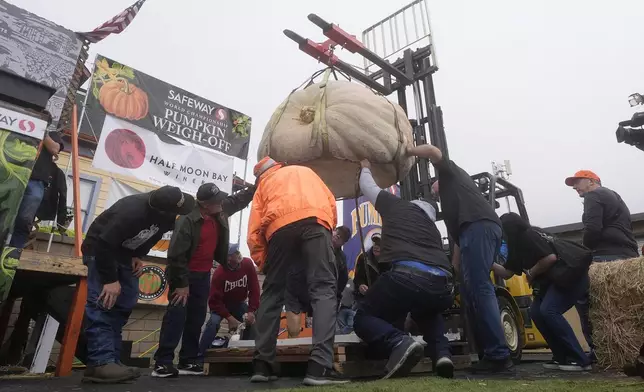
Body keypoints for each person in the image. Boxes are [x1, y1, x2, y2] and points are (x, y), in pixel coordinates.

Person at [407, 144, 512, 373]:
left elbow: (433, 151)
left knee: (479, 286)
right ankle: (487, 352)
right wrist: (453, 272)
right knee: (468, 290)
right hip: (470, 232)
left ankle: (498, 354)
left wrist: (406, 151)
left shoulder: (450, 173)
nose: (433, 193)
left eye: (433, 189)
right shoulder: (452, 203)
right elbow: (456, 239)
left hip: (479, 227)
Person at [352, 159, 455, 379]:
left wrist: (366, 167)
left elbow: (368, 187)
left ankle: (398, 341)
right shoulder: (432, 229)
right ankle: (442, 354)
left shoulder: (397, 206)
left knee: (363, 317)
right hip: (443, 286)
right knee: (428, 309)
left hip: (406, 277)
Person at [248, 156, 346, 386]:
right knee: (323, 289)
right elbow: (331, 204)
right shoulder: (305, 171)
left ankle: (262, 365)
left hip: (278, 230)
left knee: (272, 293)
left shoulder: (264, 185)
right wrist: (325, 230)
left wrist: (263, 262)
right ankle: (319, 367)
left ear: (261, 175)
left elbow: (254, 230)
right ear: (278, 166)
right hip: (316, 222)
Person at [81, 186, 195, 384]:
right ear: (162, 210)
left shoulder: (166, 217)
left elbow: (152, 236)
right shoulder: (131, 212)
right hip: (100, 251)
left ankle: (111, 362)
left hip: (124, 253)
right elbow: (103, 243)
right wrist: (109, 280)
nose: (177, 215)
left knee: (124, 303)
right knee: (104, 303)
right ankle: (100, 362)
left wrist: (136, 254)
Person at [152, 183, 254, 378]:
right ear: (206, 205)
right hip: (183, 273)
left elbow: (236, 200)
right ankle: (162, 363)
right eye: (218, 201)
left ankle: (188, 361)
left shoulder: (219, 211)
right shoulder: (187, 220)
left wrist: (254, 188)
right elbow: (176, 255)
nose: (222, 203)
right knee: (176, 317)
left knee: (196, 318)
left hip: (203, 274)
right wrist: (181, 284)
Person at [492, 213, 592, 371]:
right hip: (553, 282)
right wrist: (486, 262)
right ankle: (561, 356)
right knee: (536, 313)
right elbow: (507, 273)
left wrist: (531, 272)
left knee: (549, 310)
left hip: (570, 278)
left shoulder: (529, 236)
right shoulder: (515, 245)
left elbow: (550, 258)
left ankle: (579, 359)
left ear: (509, 229)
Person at [565, 170, 638, 362]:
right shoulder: (614, 195)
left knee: (585, 299)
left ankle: (599, 351)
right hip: (627, 253)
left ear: (591, 181)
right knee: (623, 306)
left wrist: (583, 252)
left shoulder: (593, 195)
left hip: (605, 255)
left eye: (577, 182)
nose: (574, 187)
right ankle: (630, 350)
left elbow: (592, 228)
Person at [285, 226, 351, 338]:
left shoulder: (341, 260)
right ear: (333, 231)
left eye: (340, 238)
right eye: (336, 234)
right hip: (297, 292)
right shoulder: (311, 243)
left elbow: (341, 284)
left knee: (319, 332)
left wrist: (335, 303)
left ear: (343, 243)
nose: (336, 238)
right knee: (293, 329)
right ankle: (292, 351)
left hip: (320, 297)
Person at [198, 244, 260, 355]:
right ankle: (201, 357)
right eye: (234, 253)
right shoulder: (219, 273)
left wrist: (251, 311)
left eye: (237, 251)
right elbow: (214, 302)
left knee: (252, 321)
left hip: (239, 303)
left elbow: (254, 289)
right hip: (221, 305)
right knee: (213, 323)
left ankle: (248, 355)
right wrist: (229, 318)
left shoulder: (247, 264)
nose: (238, 254)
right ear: (228, 258)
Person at [10, 131, 64, 248]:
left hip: (35, 180)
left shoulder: (51, 133)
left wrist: (41, 130)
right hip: (13, 174)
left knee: (24, 220)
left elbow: (55, 149)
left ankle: (13, 254)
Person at [352, 233, 386, 303]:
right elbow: (357, 278)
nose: (376, 246)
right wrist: (361, 285)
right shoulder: (363, 258)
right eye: (375, 243)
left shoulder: (389, 261)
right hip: (364, 298)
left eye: (379, 244)